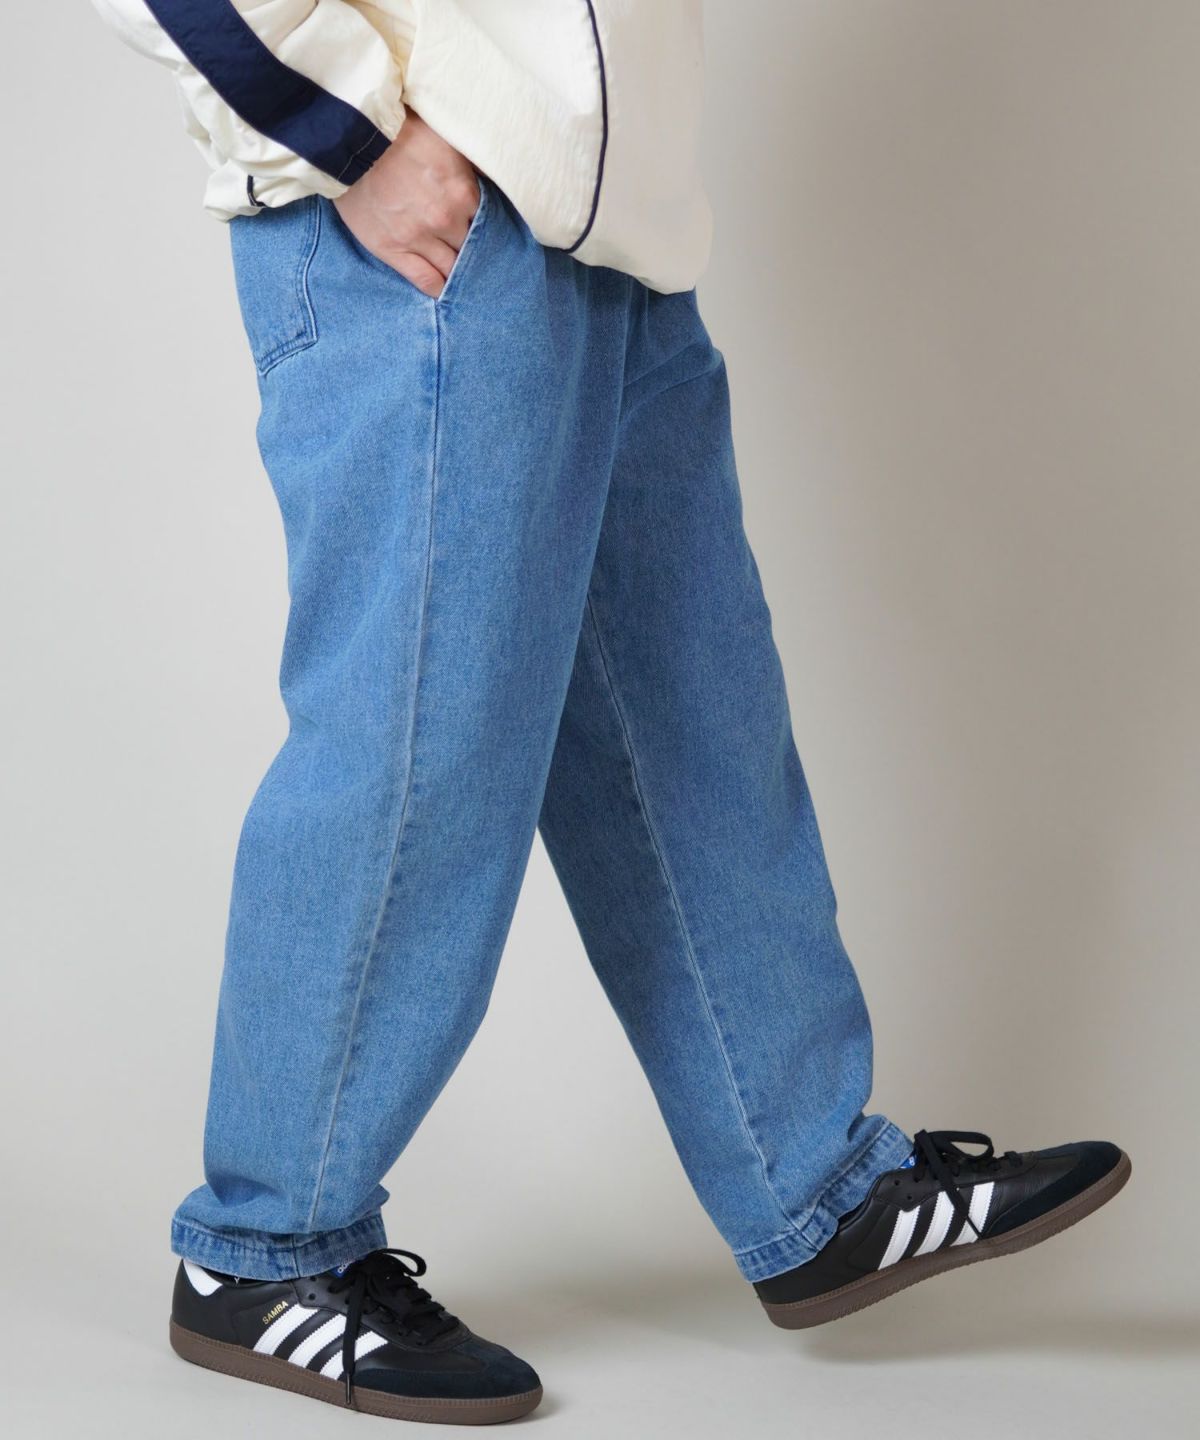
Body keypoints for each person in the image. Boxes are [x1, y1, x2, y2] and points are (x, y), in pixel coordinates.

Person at [92, 1, 1129, 1425]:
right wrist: (355, 131)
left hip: (610, 232)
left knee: (695, 729)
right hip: (433, 221)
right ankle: (265, 1246)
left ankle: (813, 1182)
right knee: (417, 747)